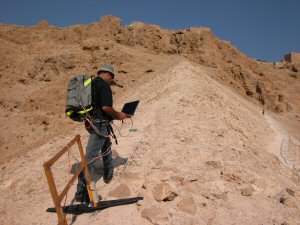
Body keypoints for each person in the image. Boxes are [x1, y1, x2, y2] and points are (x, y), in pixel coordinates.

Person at [75, 64, 127, 203]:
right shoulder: (104, 86)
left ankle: (108, 174)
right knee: (90, 158)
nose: (111, 82)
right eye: (111, 79)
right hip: (99, 124)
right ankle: (81, 192)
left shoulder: (92, 84)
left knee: (106, 147)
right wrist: (118, 115)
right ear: (108, 75)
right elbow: (106, 107)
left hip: (93, 123)